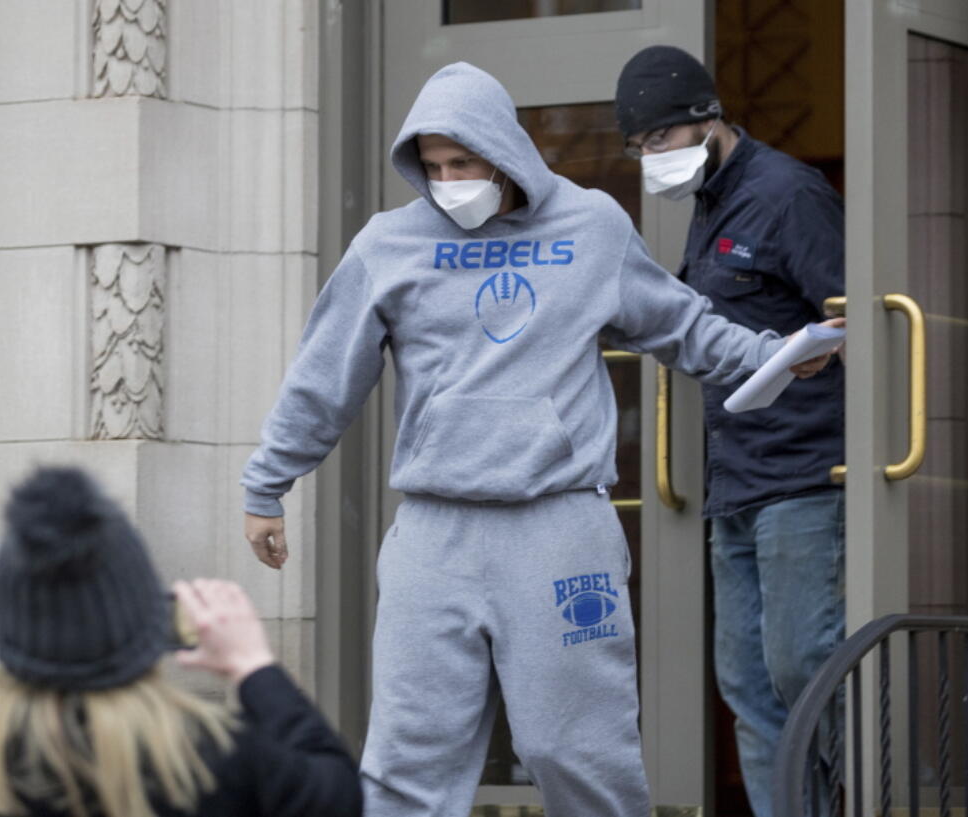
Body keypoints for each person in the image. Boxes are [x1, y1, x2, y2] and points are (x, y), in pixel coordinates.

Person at [240, 62, 835, 817]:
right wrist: (267, 483)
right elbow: (323, 376)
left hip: (559, 528)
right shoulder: (387, 244)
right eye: (432, 167)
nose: (448, 181)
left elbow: (682, 325)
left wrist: (773, 354)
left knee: (579, 752)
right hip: (434, 531)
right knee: (406, 761)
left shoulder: (589, 226)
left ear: (504, 151)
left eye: (463, 163)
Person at [615, 45, 847, 817]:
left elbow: (852, 326)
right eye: (638, 148)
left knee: (803, 666)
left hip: (804, 478)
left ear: (704, 121)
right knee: (749, 687)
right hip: (734, 482)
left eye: (657, 143)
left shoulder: (789, 194)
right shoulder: (709, 205)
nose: (650, 161)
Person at [0, 466, 362, 817]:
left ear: (14, 631)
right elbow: (338, 793)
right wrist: (253, 666)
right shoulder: (214, 765)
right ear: (142, 623)